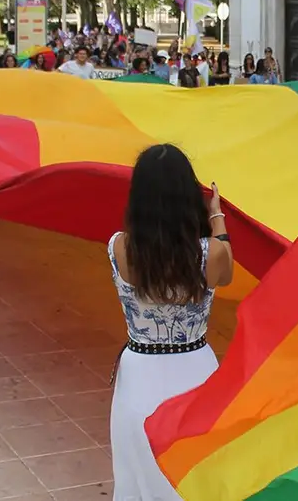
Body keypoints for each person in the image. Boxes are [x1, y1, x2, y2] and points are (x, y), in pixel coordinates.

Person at [108, 144, 233, 499]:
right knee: (193, 474)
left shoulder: (118, 247)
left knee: (139, 470)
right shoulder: (210, 253)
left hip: (140, 370)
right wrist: (217, 216)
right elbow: (227, 275)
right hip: (195, 367)